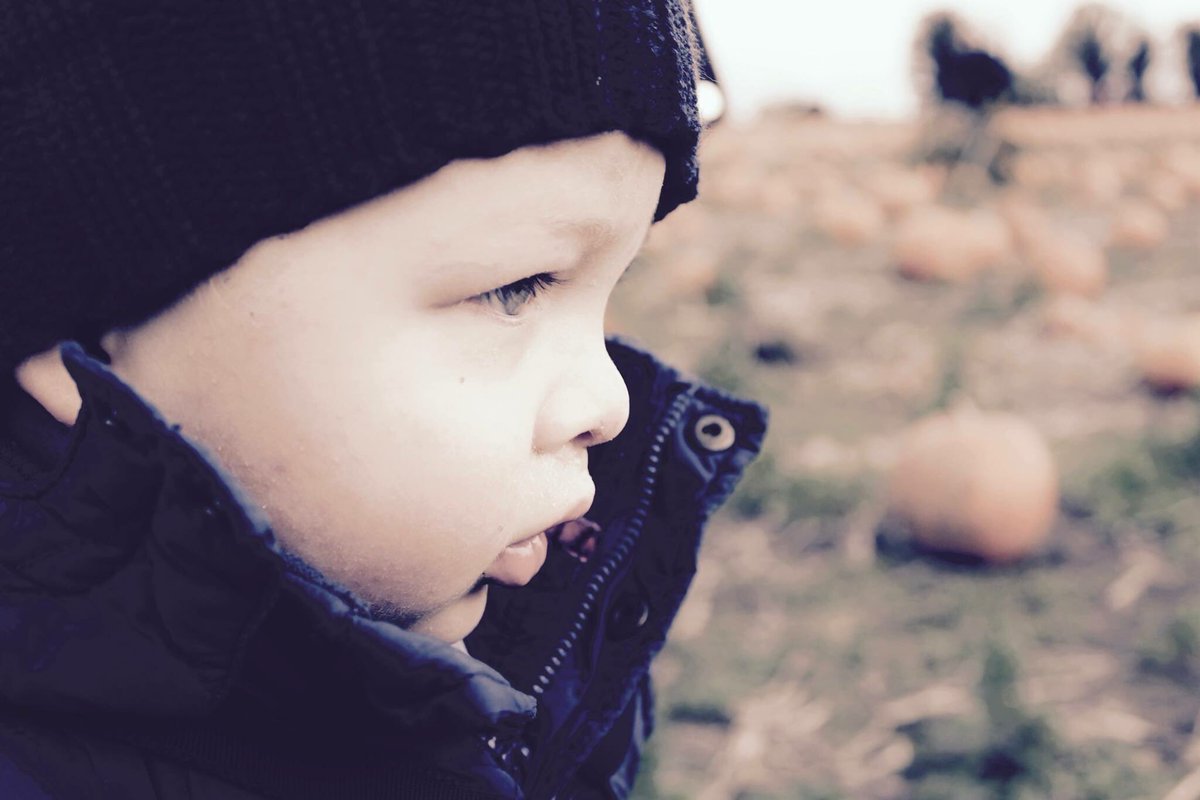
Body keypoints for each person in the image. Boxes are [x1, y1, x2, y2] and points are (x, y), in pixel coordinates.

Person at [0, 2, 767, 798]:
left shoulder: (537, 634)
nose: (610, 403)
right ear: (80, 342)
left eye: (608, 294)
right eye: (513, 289)